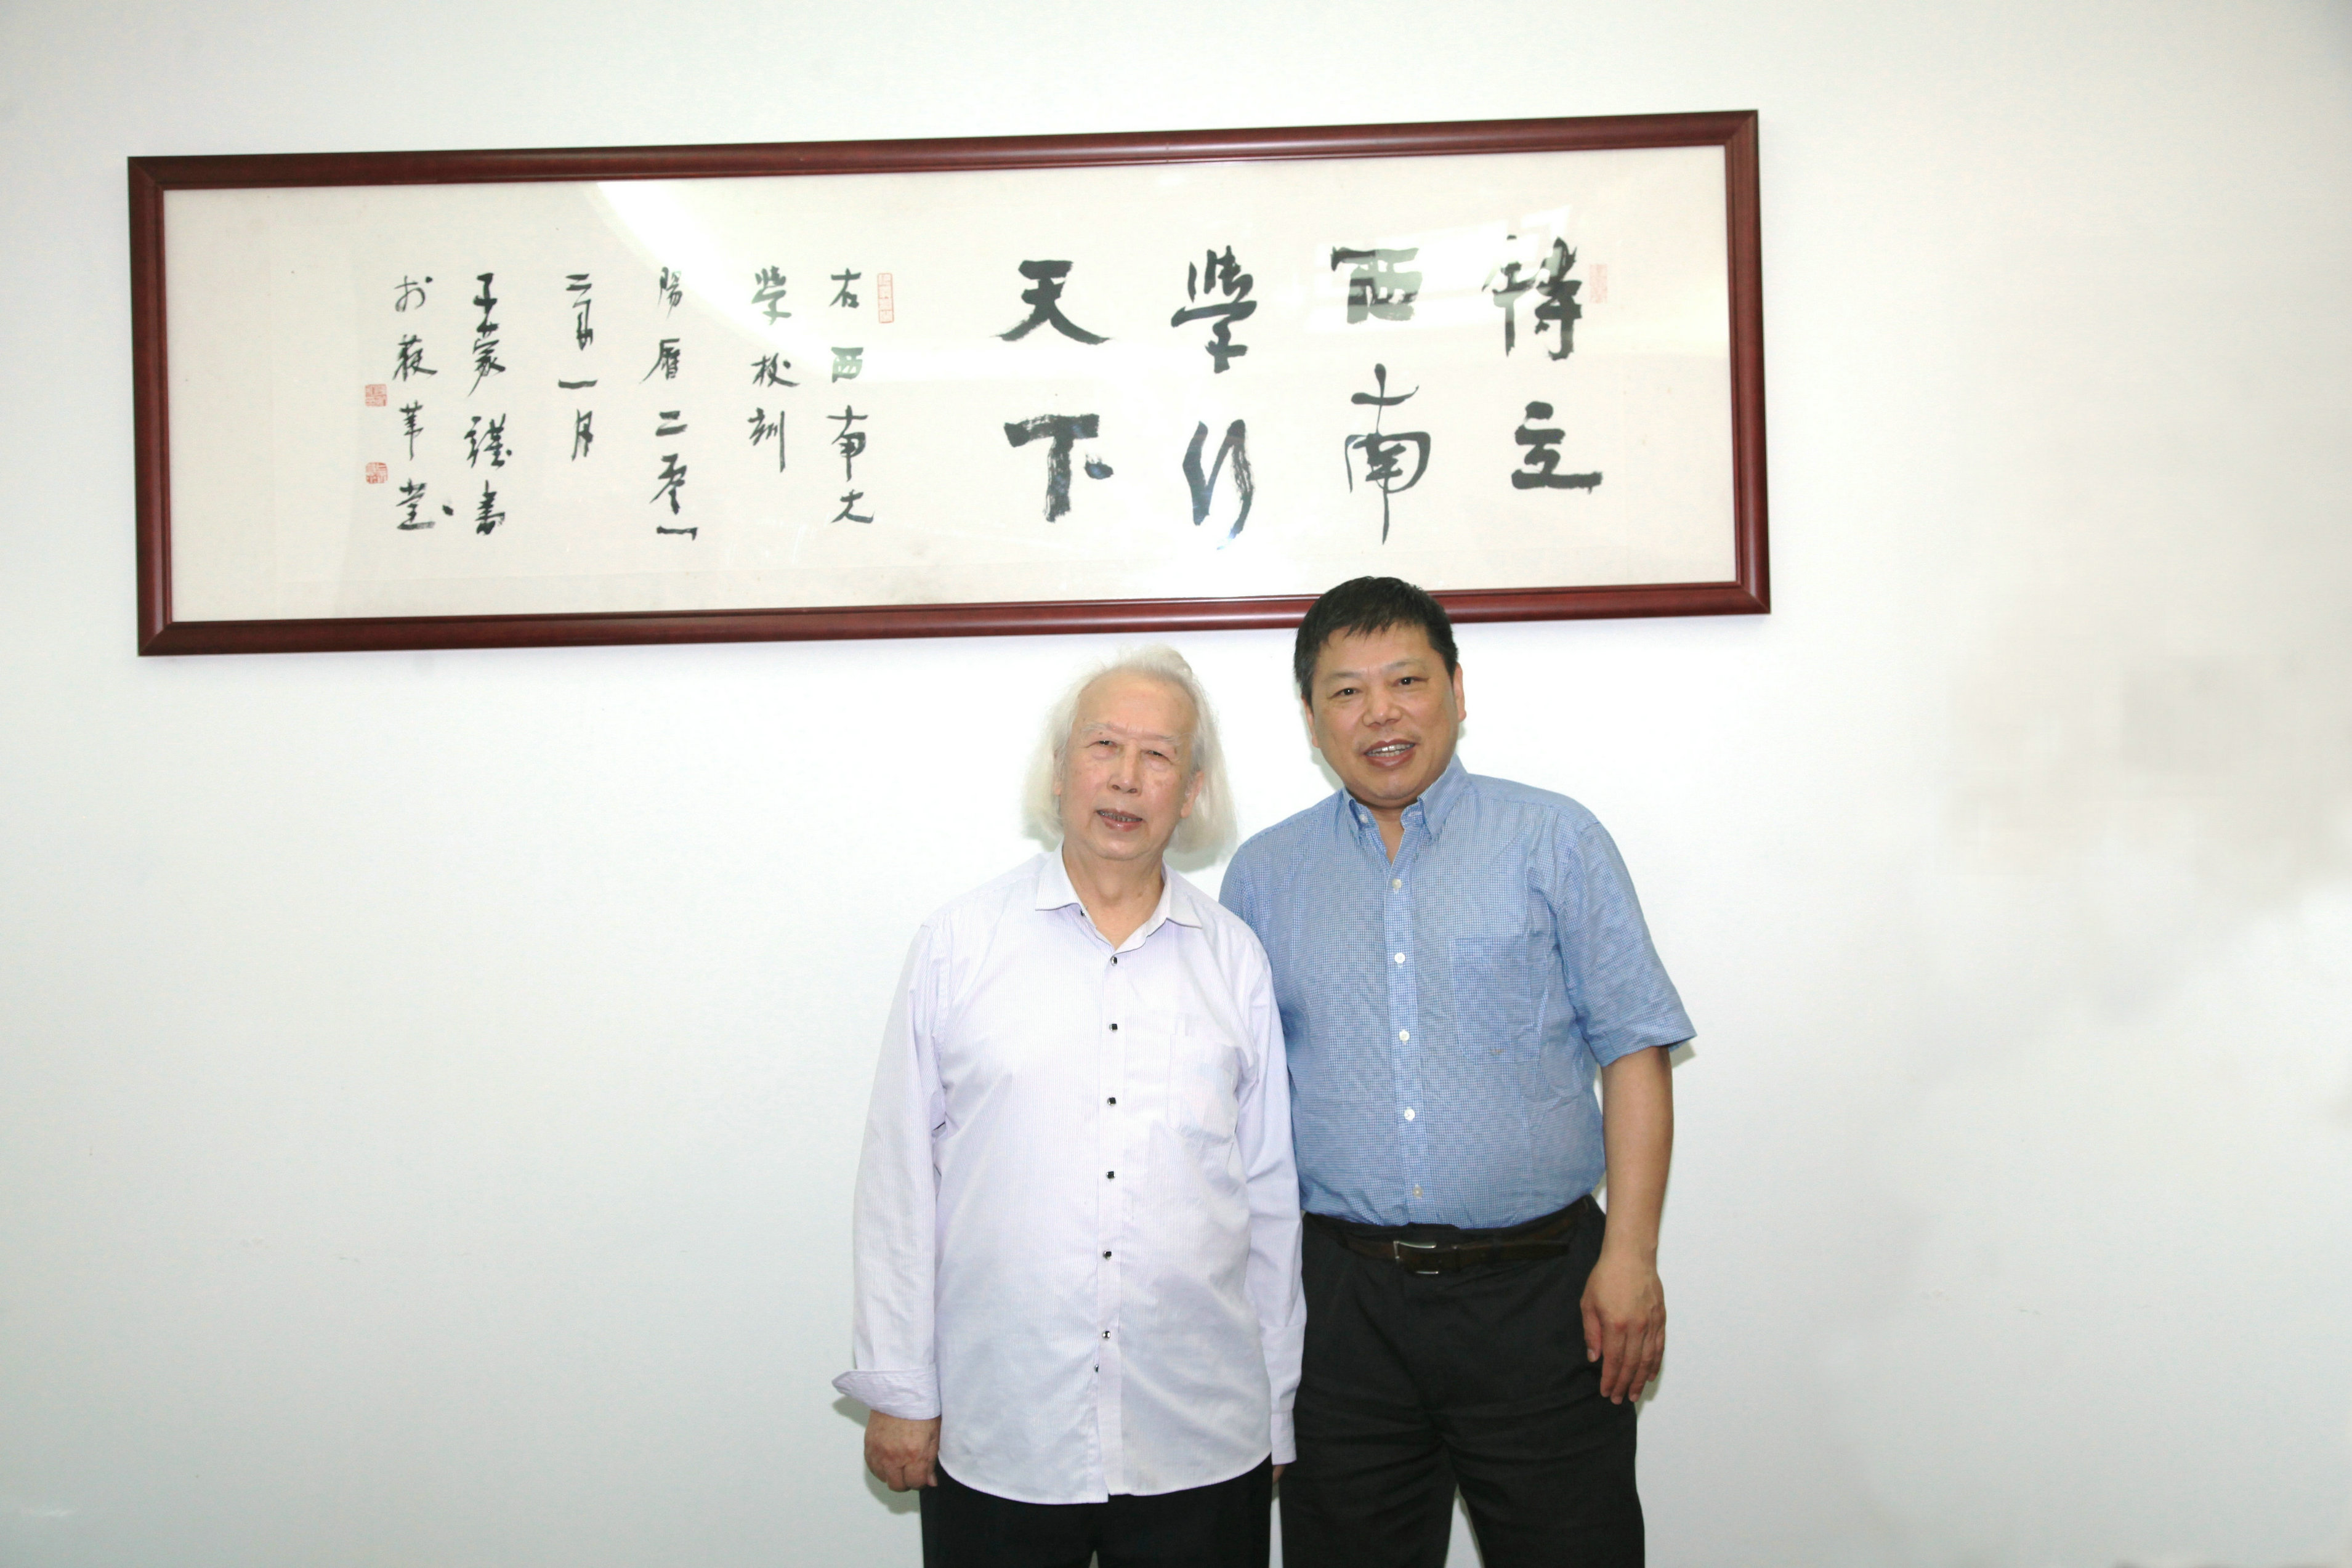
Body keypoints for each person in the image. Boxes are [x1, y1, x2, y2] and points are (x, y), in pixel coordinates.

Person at [1219, 578, 1692, 1568]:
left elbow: (1634, 1050)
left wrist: (1631, 1255)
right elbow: (1240, 1101)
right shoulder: (1263, 876)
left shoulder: (1555, 840)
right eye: (1346, 691)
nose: (1380, 713)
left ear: (1457, 689)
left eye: (1407, 680)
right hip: (1343, 1310)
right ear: (1311, 716)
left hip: (1544, 1300)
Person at [836, 645, 1303, 1568]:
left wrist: (1277, 1407)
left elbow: (1270, 1201)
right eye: (1103, 745)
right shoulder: (959, 945)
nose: (1127, 777)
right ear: (1059, 771)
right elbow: (899, 1183)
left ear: (1192, 791)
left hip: (1202, 1435)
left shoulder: (1235, 960)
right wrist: (900, 1388)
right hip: (1004, 1429)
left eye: (1159, 755)